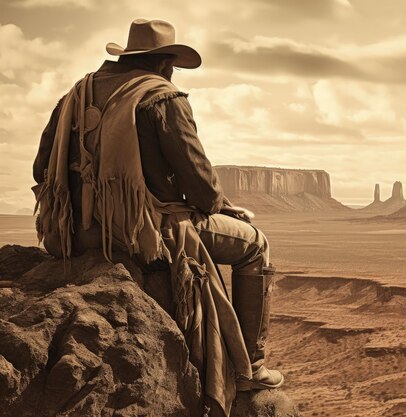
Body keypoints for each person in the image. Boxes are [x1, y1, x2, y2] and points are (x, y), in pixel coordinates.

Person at [32, 18, 283, 414]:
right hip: (143, 231)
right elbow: (201, 185)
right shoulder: (161, 98)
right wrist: (221, 206)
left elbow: (40, 170)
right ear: (165, 64)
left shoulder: (74, 97)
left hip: (75, 234)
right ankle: (252, 365)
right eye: (172, 66)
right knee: (255, 245)